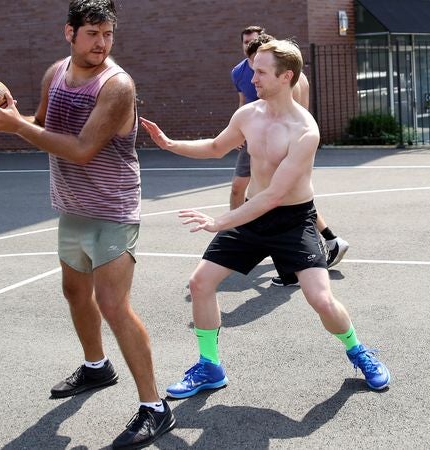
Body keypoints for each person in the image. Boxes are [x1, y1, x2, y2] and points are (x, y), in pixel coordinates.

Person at [0, 1, 174, 448]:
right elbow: (41, 125)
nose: (102, 43)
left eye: (108, 34)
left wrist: (15, 127)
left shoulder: (117, 86)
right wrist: (5, 122)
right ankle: (97, 366)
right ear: (70, 33)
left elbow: (81, 149)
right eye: (93, 34)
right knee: (75, 293)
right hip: (71, 205)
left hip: (112, 207)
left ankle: (155, 407)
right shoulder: (55, 74)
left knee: (113, 305)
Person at [139, 39, 391, 399]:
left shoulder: (305, 131)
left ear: (285, 76)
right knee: (200, 283)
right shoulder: (247, 115)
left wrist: (219, 221)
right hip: (251, 215)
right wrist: (169, 144)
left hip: (291, 220)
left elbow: (275, 196)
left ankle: (358, 351)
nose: (251, 77)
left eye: (259, 71)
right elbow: (215, 147)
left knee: (320, 298)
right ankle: (210, 367)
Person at [231, 27, 349, 288]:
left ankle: (295, 261)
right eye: (247, 45)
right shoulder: (241, 72)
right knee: (282, 199)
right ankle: (329, 241)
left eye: (256, 47)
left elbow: (290, 113)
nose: (255, 74)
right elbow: (244, 105)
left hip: (282, 144)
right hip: (258, 139)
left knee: (283, 201)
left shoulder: (290, 79)